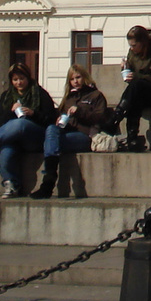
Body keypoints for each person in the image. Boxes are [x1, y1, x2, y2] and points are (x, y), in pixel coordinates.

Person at [0, 63, 56, 198]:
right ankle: (11, 184)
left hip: (35, 137)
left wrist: (33, 113)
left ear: (28, 78)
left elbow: (51, 119)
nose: (19, 82)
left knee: (20, 123)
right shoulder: (6, 96)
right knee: (3, 149)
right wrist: (11, 111)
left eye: (22, 78)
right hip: (14, 138)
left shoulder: (40, 93)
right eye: (15, 80)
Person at [30, 64, 109, 200]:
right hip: (66, 133)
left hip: (84, 136)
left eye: (78, 77)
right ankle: (49, 178)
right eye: (72, 79)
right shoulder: (69, 97)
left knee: (51, 141)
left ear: (85, 77)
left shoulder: (96, 95)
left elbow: (100, 118)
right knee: (51, 130)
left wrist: (80, 112)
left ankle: (48, 183)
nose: (76, 81)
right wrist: (59, 118)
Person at [114, 25, 151, 150]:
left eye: (134, 45)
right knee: (135, 97)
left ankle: (116, 116)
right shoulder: (133, 53)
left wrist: (137, 77)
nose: (131, 48)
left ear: (143, 43)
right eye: (130, 45)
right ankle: (132, 138)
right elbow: (132, 72)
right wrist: (125, 68)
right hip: (139, 92)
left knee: (138, 85)